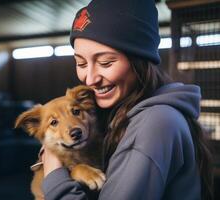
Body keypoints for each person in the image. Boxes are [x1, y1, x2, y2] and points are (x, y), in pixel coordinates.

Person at [40, 0, 213, 199]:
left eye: (106, 62)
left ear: (139, 60)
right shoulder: (122, 114)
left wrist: (54, 174)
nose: (90, 78)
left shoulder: (155, 123)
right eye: (80, 62)